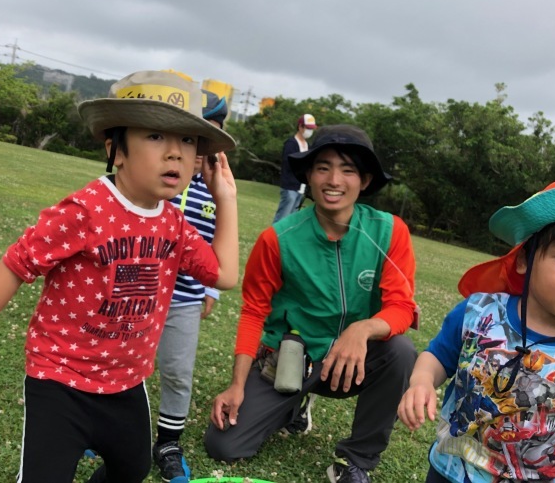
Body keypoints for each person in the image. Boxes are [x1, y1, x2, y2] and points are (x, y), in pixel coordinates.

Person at [0, 70, 239, 483]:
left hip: (127, 381)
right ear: (116, 149)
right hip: (60, 379)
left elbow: (225, 274)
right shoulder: (86, 210)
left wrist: (225, 198)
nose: (176, 152)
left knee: (132, 469)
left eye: (188, 140)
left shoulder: (174, 224)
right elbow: (15, 266)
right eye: (156, 136)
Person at [206, 124, 418, 483]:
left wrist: (361, 329)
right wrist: (237, 384)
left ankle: (356, 460)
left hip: (355, 361)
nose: (334, 179)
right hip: (292, 358)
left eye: (348, 169)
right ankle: (293, 404)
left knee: (401, 351)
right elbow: (254, 311)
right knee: (224, 445)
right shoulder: (278, 239)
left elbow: (401, 306)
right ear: (308, 174)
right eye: (323, 167)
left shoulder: (390, 230)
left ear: (364, 180)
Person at [398, 178, 555, 483]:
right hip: (452, 470)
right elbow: (438, 356)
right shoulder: (479, 312)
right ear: (524, 260)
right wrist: (422, 382)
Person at [153, 90, 229, 482]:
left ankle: (168, 441)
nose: (194, 151)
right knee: (118, 362)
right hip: (138, 295)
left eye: (205, 142)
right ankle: (99, 425)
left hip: (184, 298)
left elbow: (220, 243)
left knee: (179, 372)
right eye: (187, 137)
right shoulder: (152, 180)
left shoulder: (214, 192)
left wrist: (211, 289)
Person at [272, 113, 316, 223]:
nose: (310, 131)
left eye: (311, 129)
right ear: (300, 127)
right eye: (308, 128)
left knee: (292, 219)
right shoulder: (291, 143)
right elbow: (289, 163)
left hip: (301, 187)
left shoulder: (307, 145)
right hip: (290, 186)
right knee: (283, 216)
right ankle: (274, 238)